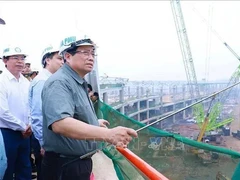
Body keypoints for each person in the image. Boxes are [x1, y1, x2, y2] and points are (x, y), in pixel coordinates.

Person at [41, 35, 138, 180]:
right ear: (67, 56)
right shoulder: (60, 82)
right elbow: (60, 124)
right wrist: (108, 134)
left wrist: (93, 123)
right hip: (65, 166)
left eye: (93, 53)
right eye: (85, 52)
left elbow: (73, 115)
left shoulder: (77, 82)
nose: (91, 57)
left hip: (77, 163)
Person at [28, 45, 64, 180]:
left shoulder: (50, 79)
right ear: (47, 60)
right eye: (59, 58)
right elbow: (37, 115)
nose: (62, 62)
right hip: (45, 141)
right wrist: (43, 143)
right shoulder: (42, 81)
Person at [0, 46, 32, 179]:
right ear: (5, 60)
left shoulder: (26, 82)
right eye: (16, 58)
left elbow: (30, 106)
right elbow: (2, 111)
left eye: (22, 58)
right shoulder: (1, 81)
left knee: (25, 167)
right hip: (7, 133)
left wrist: (29, 125)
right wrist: (23, 127)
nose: (20, 61)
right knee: (7, 168)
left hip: (25, 134)